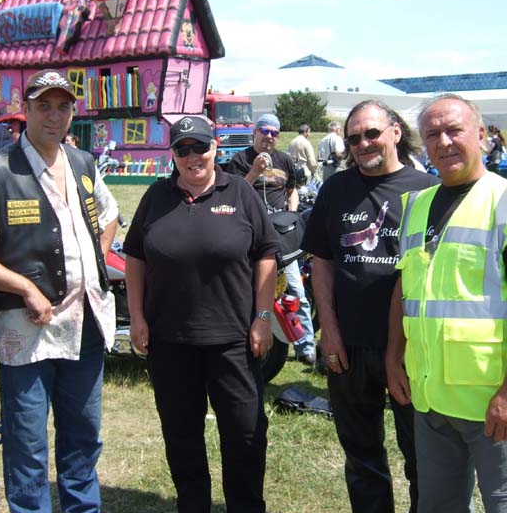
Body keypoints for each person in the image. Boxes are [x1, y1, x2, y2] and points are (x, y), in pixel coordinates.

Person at [0, 69, 119, 513]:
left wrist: (94, 265)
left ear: (72, 114)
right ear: (25, 111)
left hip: (85, 326)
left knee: (83, 438)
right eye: (44, 105)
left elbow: (110, 213)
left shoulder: (82, 163)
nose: (54, 115)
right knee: (27, 446)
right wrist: (25, 286)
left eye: (63, 106)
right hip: (27, 334)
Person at [385, 93, 507, 513]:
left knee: (506, 501)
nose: (443, 142)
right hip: (430, 397)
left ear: (481, 136)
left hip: (489, 398)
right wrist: (394, 357)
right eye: (432, 134)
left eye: (454, 130)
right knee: (438, 502)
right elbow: (404, 289)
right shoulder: (416, 205)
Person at [124, 115, 278, 513]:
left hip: (234, 340)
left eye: (200, 147)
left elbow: (265, 254)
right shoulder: (156, 197)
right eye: (183, 149)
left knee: (245, 435)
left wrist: (263, 317)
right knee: (182, 437)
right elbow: (135, 257)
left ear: (216, 148)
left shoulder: (240, 192)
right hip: (171, 342)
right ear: (173, 154)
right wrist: (137, 316)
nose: (193, 156)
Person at [302, 100, 439, 513]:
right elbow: (322, 262)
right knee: (362, 458)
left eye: (372, 133)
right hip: (350, 344)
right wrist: (329, 330)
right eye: (354, 137)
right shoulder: (336, 189)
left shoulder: (427, 190)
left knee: (423, 459)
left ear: (395, 131)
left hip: (414, 348)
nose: (363, 143)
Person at [226, 113, 316, 364]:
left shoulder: (285, 160)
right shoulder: (240, 160)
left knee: (296, 288)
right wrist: (254, 172)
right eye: (264, 131)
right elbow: (233, 194)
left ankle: (305, 345)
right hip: (250, 234)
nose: (269, 137)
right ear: (254, 132)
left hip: (281, 235)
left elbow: (292, 192)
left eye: (274, 133)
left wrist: (292, 214)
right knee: (248, 288)